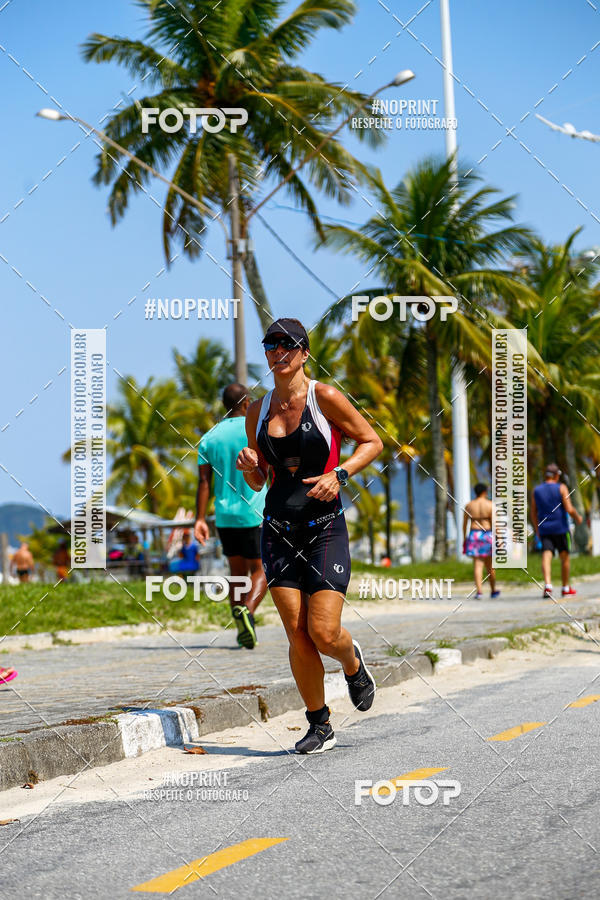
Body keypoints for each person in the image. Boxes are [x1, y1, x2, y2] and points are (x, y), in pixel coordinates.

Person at [237, 317, 384, 754]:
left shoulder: (326, 397)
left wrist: (339, 474)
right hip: (278, 530)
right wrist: (250, 468)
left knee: (323, 632)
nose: (278, 352)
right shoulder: (256, 410)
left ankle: (352, 663)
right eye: (270, 344)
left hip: (324, 529)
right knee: (296, 633)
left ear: (304, 352)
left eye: (287, 345)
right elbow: (260, 481)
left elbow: (371, 442)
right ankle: (319, 724)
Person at [195, 383, 268, 649]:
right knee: (264, 569)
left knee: (237, 574)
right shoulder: (255, 430)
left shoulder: (209, 437)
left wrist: (200, 519)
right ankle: (247, 611)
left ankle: (241, 627)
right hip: (255, 512)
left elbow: (203, 483)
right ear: (247, 402)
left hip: (224, 516)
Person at [531, 463, 583, 598]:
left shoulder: (536, 490)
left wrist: (537, 529)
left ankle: (548, 585)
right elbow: (569, 508)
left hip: (544, 529)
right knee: (564, 557)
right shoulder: (561, 488)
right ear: (556, 475)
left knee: (546, 555)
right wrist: (578, 517)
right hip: (561, 528)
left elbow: (533, 512)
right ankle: (565, 588)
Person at [463, 483, 500, 600]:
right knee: (490, 565)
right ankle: (493, 590)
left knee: (478, 565)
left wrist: (465, 538)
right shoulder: (490, 505)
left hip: (474, 534)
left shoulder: (469, 506)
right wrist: (498, 538)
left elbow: (464, 524)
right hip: (487, 533)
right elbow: (495, 524)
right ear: (484, 491)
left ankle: (479, 591)